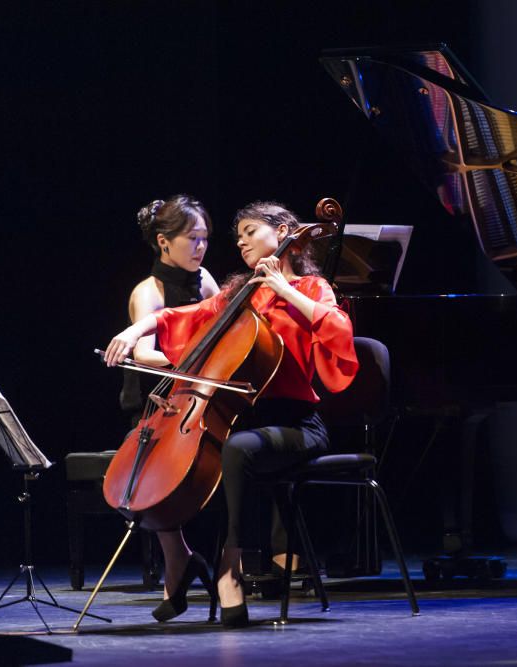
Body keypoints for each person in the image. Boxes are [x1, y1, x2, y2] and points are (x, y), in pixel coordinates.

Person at [103, 201, 358, 627]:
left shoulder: (313, 288)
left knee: (237, 450)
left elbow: (338, 329)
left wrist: (283, 288)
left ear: (283, 232)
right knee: (223, 452)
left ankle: (229, 566)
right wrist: (133, 330)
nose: (239, 241)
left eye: (250, 231)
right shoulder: (239, 295)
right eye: (237, 234)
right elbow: (180, 315)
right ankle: (190, 562)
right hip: (249, 421)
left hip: (298, 424)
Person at [121, 195, 219, 428]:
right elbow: (143, 356)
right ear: (164, 241)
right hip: (156, 404)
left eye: (205, 238)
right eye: (193, 238)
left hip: (196, 396)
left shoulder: (204, 279)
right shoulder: (148, 292)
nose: (201, 247)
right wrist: (194, 360)